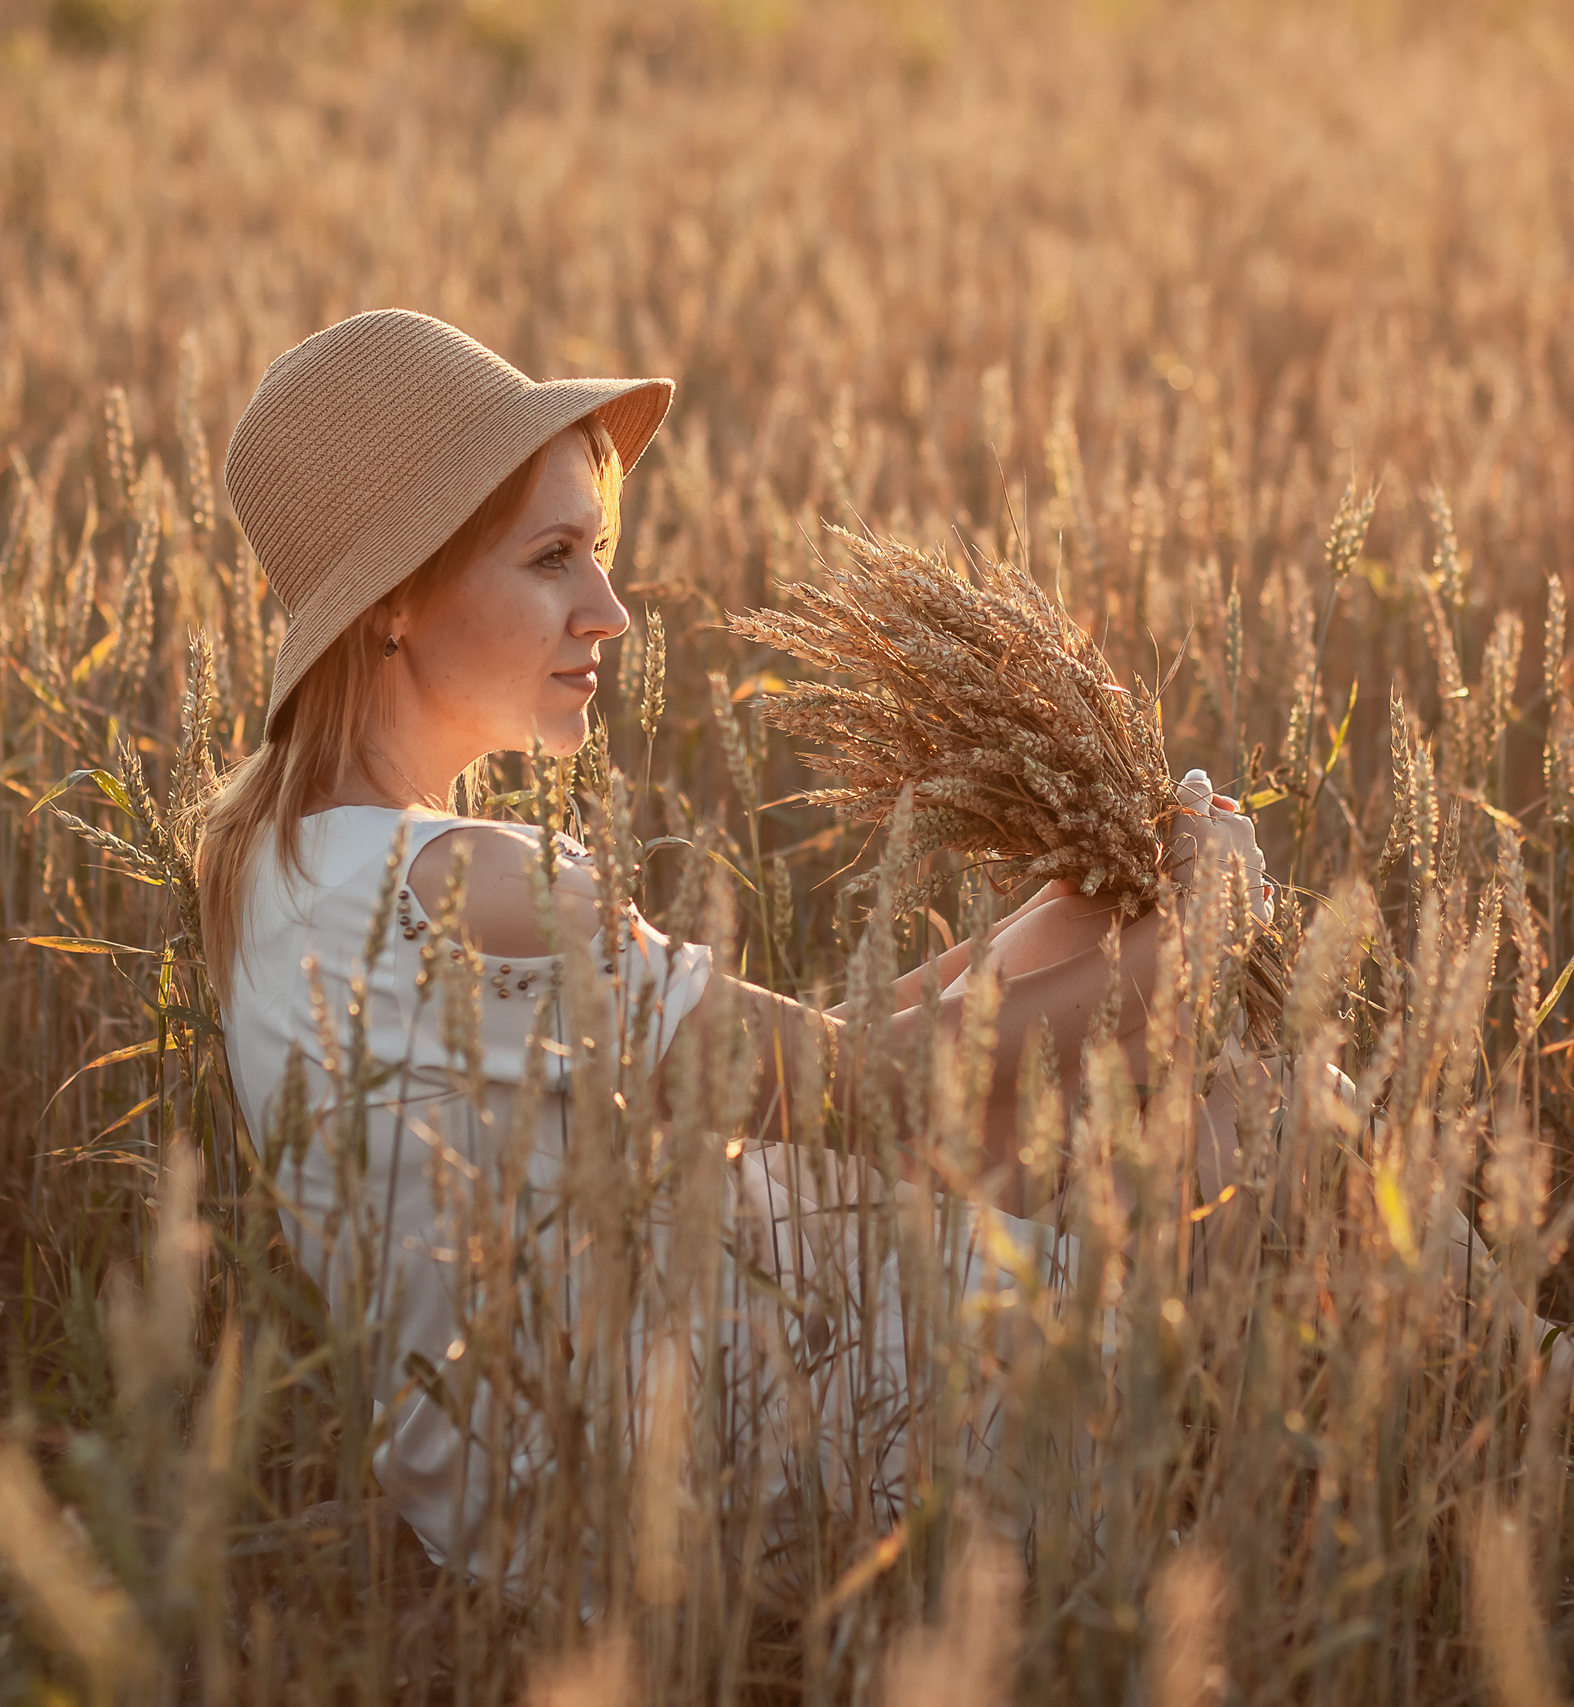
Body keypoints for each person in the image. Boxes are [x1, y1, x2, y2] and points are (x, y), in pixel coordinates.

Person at [196, 310, 1271, 1595]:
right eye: (553, 560)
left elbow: (817, 1072)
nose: (610, 612)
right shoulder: (484, 884)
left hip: (538, 1470)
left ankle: (1570, 1417)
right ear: (397, 602)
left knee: (1140, 1089)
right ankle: (1549, 1456)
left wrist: (1060, 920)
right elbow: (872, 1095)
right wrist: (1197, 941)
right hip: (688, 1454)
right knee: (1253, 1122)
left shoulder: (275, 863)